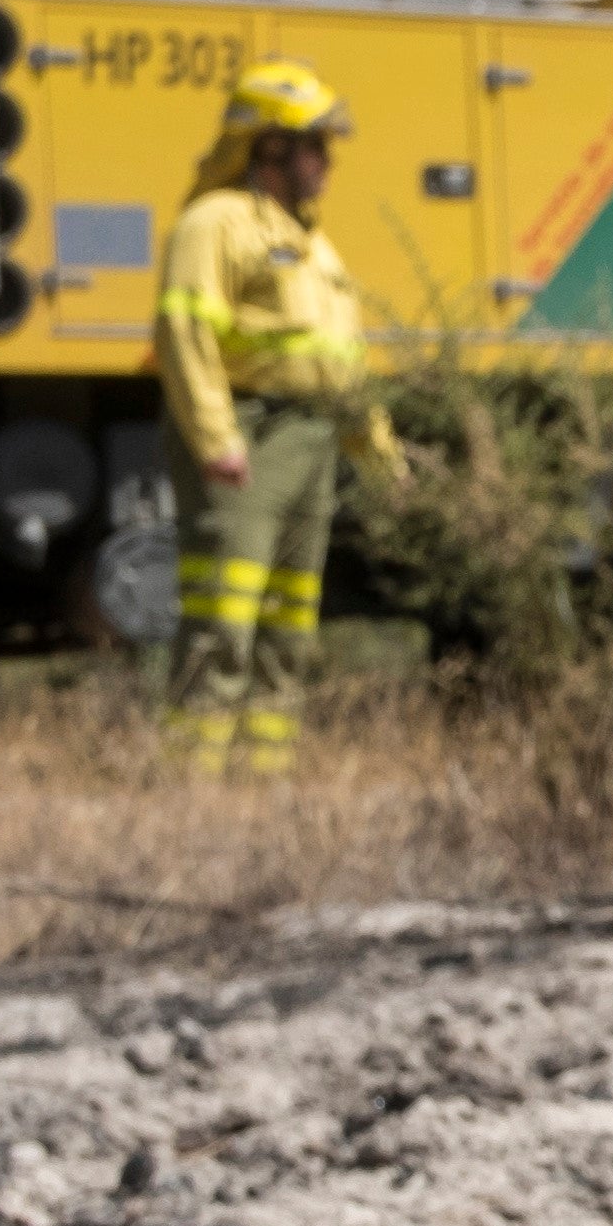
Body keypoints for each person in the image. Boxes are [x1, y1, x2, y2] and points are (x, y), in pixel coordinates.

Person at [155, 59, 401, 773]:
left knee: (289, 624)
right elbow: (183, 333)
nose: (327, 161)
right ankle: (191, 788)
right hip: (250, 437)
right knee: (224, 620)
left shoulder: (314, 243)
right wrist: (216, 439)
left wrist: (378, 455)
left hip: (313, 441)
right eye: (314, 144)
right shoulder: (214, 223)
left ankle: (264, 784)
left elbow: (341, 362)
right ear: (267, 148)